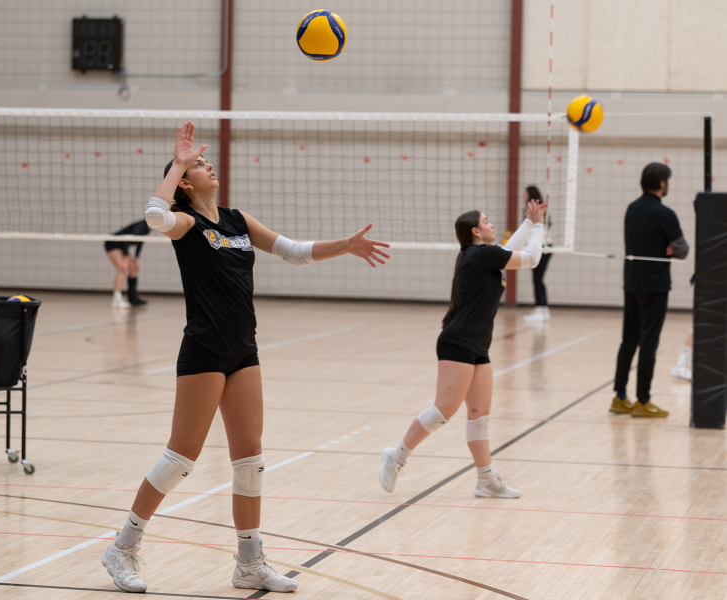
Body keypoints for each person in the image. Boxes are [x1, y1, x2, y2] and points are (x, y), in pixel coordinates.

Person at [100, 122, 390, 593]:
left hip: (243, 350)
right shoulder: (187, 225)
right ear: (186, 183)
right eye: (198, 164)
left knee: (250, 459)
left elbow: (293, 252)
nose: (207, 163)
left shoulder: (236, 220)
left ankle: (249, 563)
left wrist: (347, 246)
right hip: (204, 349)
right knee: (180, 458)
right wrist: (176, 164)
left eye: (202, 161)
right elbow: (154, 216)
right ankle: (122, 548)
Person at [378, 201, 547, 499]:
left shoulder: (485, 255)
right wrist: (540, 225)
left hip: (478, 343)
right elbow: (532, 258)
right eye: (487, 221)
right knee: (443, 411)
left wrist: (530, 222)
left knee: (479, 414)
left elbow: (511, 248)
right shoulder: (481, 254)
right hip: (458, 341)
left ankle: (486, 480)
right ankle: (396, 456)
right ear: (476, 232)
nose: (491, 224)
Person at [610, 162, 688, 418]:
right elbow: (683, 250)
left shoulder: (632, 209)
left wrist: (669, 246)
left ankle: (620, 398)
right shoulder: (665, 214)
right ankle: (643, 401)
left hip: (631, 284)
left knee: (628, 341)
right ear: (663, 182)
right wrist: (670, 247)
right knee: (648, 345)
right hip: (654, 287)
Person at [522, 185, 553, 324]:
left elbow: (534, 230)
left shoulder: (533, 210)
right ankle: (543, 310)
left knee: (537, 279)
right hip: (546, 246)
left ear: (530, 194)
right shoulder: (541, 209)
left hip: (542, 247)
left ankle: (541, 309)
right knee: (539, 279)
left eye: (525, 192)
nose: (523, 195)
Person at [105, 219, 150, 309]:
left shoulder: (147, 228)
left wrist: (136, 259)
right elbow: (126, 242)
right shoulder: (140, 227)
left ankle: (132, 298)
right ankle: (116, 299)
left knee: (133, 269)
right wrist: (125, 260)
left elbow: (140, 242)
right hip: (113, 244)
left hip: (122, 247)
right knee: (122, 269)